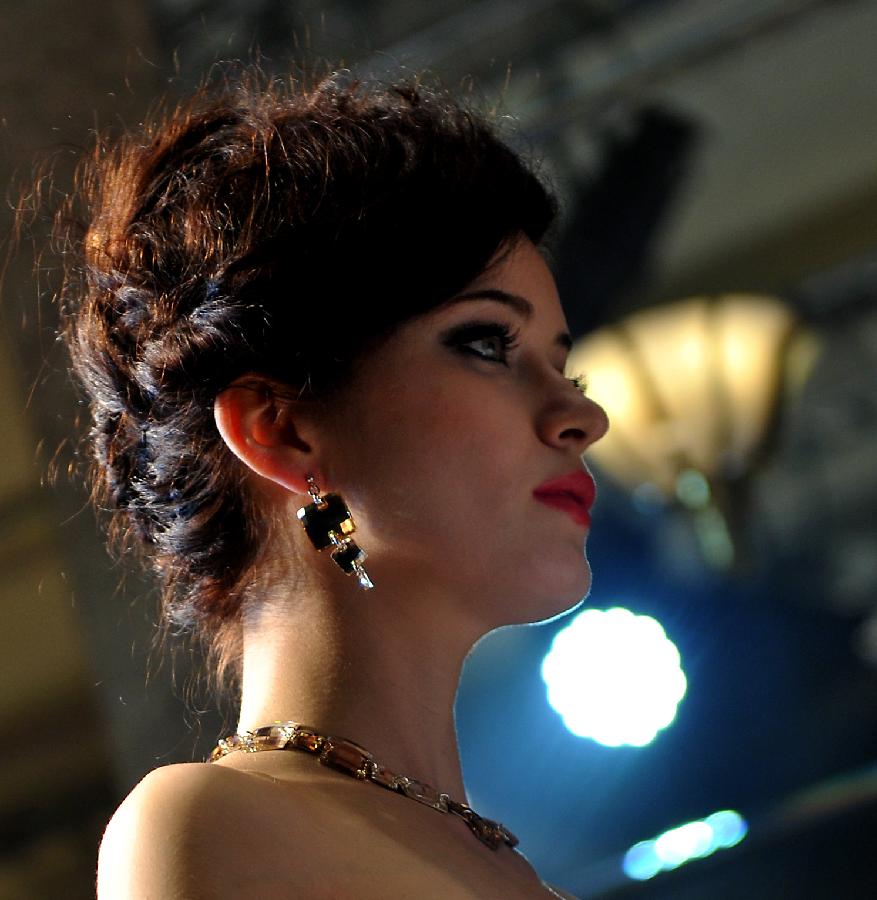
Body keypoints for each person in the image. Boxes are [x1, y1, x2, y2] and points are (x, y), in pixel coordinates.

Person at [59, 65, 608, 898]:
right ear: (278, 428)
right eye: (486, 343)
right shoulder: (210, 827)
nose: (580, 416)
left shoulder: (509, 867)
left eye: (564, 365)